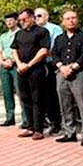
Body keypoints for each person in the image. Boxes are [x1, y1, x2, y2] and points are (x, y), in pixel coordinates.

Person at [52, 10, 83, 145]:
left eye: (73, 17)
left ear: (78, 19)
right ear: (63, 22)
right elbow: (54, 54)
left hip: (80, 73)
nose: (71, 20)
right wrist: (61, 67)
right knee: (65, 104)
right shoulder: (59, 38)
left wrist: (73, 67)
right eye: (67, 18)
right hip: (62, 73)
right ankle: (69, 132)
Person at [12, 9, 51, 140]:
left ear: (32, 18)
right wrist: (19, 64)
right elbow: (14, 50)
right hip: (21, 70)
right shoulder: (19, 34)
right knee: (25, 98)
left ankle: (38, 129)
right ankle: (29, 127)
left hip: (36, 70)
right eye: (20, 20)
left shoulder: (41, 32)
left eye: (25, 19)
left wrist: (29, 64)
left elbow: (44, 50)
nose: (22, 22)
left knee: (37, 99)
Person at [36, 8, 63, 134]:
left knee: (52, 94)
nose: (37, 18)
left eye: (40, 15)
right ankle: (43, 121)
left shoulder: (54, 29)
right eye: (35, 16)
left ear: (47, 16)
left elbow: (56, 46)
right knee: (40, 95)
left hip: (50, 63)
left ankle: (56, 122)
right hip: (37, 65)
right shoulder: (33, 30)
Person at [0, 12, 20, 127]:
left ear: (16, 21)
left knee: (21, 92)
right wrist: (2, 61)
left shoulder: (21, 33)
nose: (9, 23)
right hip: (4, 66)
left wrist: (13, 60)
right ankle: (10, 117)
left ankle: (26, 119)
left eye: (11, 20)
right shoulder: (3, 36)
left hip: (16, 65)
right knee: (7, 92)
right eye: (7, 21)